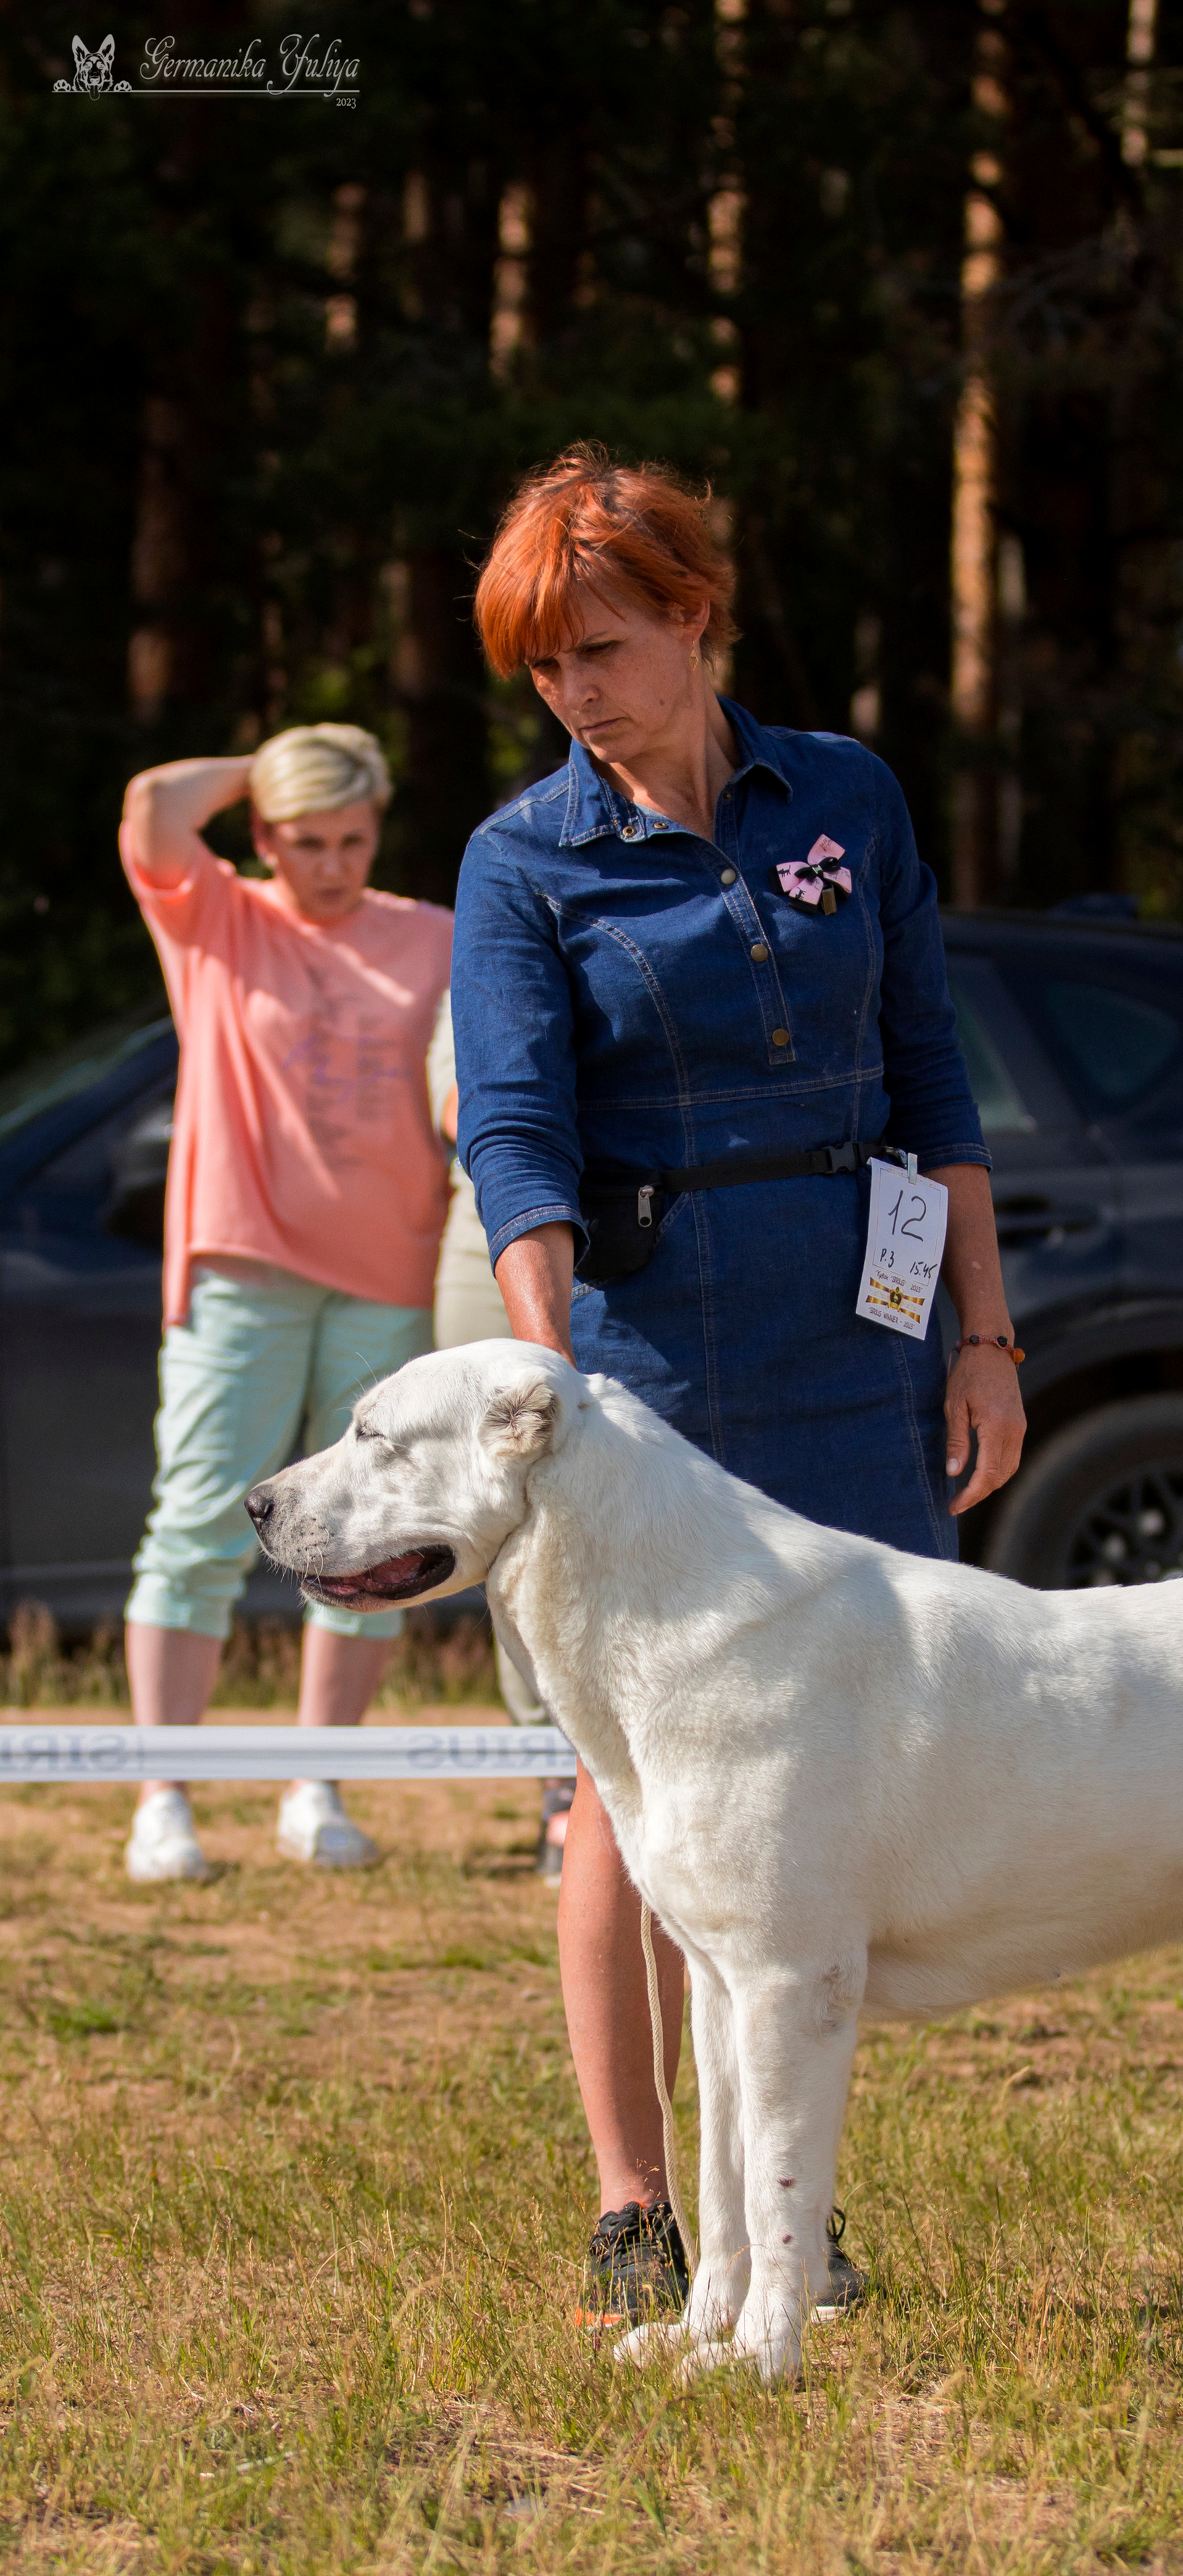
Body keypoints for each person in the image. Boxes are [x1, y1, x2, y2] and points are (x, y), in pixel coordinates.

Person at [452, 448, 1026, 2328]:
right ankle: (639, 2207)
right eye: (546, 669)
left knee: (824, 1794)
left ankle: (791, 2212)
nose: (577, 692)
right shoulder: (521, 858)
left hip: (856, 1346)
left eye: (603, 648)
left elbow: (931, 1078)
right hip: (647, 1364)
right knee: (636, 1794)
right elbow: (521, 1141)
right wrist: (553, 1395)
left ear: (699, 615)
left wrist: (986, 1337)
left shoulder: (844, 793)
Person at [117, 725, 452, 1883]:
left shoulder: (432, 936)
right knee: (199, 1523)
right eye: (306, 841)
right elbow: (157, 803)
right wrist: (273, 762)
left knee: (368, 1537)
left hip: (392, 1268)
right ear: (264, 837)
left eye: (354, 838)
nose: (332, 863)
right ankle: (162, 1800)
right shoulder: (217, 917)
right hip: (243, 1261)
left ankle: (317, 1787)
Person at [426, 989, 574, 1877]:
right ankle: (554, 1771)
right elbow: (460, 1109)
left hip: (658, 1226)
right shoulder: (500, 926)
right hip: (497, 1231)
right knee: (507, 1527)